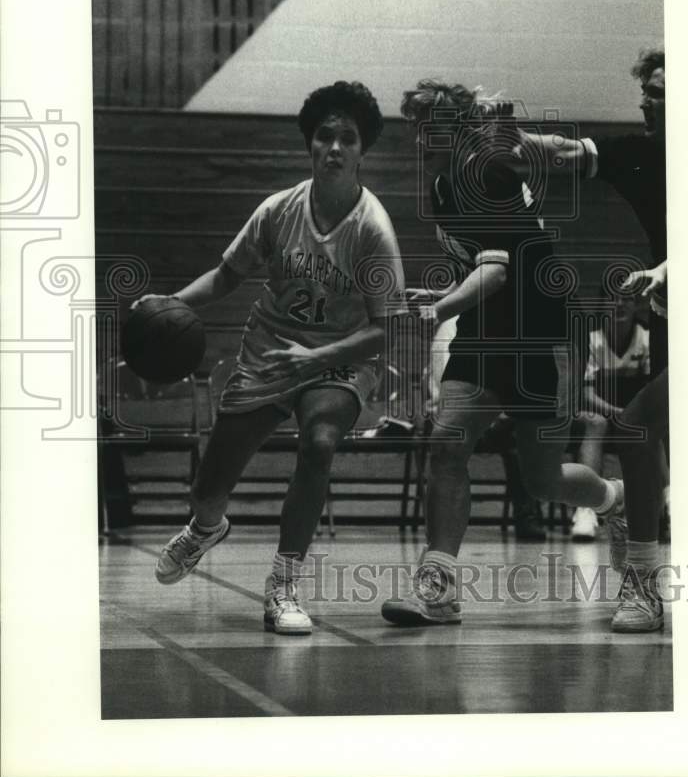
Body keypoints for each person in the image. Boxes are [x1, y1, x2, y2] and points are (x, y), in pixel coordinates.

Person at [143, 81, 405, 635]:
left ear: (363, 151)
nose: (335, 147)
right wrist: (169, 303)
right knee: (209, 486)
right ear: (310, 145)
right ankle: (207, 526)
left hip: (340, 356)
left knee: (320, 443)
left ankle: (284, 584)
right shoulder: (277, 211)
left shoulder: (373, 231)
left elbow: (386, 330)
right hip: (269, 347)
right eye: (325, 136)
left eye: (348, 139)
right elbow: (224, 277)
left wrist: (315, 361)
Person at [381, 80, 625, 627]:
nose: (423, 132)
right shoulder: (447, 180)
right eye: (417, 123)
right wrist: (445, 301)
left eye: (434, 121)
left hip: (541, 335)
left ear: (458, 126)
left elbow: (497, 267)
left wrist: (439, 309)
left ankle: (614, 500)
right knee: (447, 445)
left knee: (544, 481)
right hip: (488, 331)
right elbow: (483, 268)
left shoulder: (483, 175)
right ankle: (438, 589)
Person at [506, 47, 669, 631]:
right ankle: (644, 585)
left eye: (660, 92)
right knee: (638, 429)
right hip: (682, 321)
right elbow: (567, 153)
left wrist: (668, 270)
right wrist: (505, 137)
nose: (646, 100)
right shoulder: (638, 154)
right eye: (646, 89)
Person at [571, 287, 658, 542]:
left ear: (636, 306)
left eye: (627, 299)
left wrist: (631, 415)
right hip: (603, 412)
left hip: (635, 416)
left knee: (659, 422)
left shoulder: (647, 339)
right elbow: (585, 396)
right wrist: (619, 413)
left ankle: (666, 503)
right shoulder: (591, 341)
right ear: (602, 306)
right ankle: (585, 509)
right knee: (595, 422)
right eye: (613, 299)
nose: (619, 305)